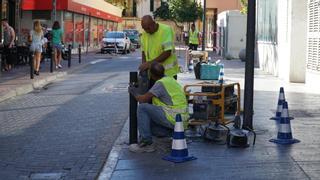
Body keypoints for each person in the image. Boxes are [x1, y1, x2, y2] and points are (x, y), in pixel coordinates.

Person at [128, 62, 189, 153]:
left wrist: (133, 91)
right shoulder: (170, 79)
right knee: (149, 125)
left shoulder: (160, 84)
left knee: (143, 108)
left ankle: (146, 144)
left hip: (172, 118)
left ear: (151, 75)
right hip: (181, 121)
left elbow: (142, 100)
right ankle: (170, 136)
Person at [139, 15, 179, 84]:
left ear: (154, 23)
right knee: (153, 94)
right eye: (144, 29)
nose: (147, 31)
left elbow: (167, 52)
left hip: (168, 74)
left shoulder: (166, 30)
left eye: (148, 28)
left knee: (167, 94)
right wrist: (144, 66)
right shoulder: (144, 34)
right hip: (153, 74)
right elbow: (143, 52)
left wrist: (149, 64)